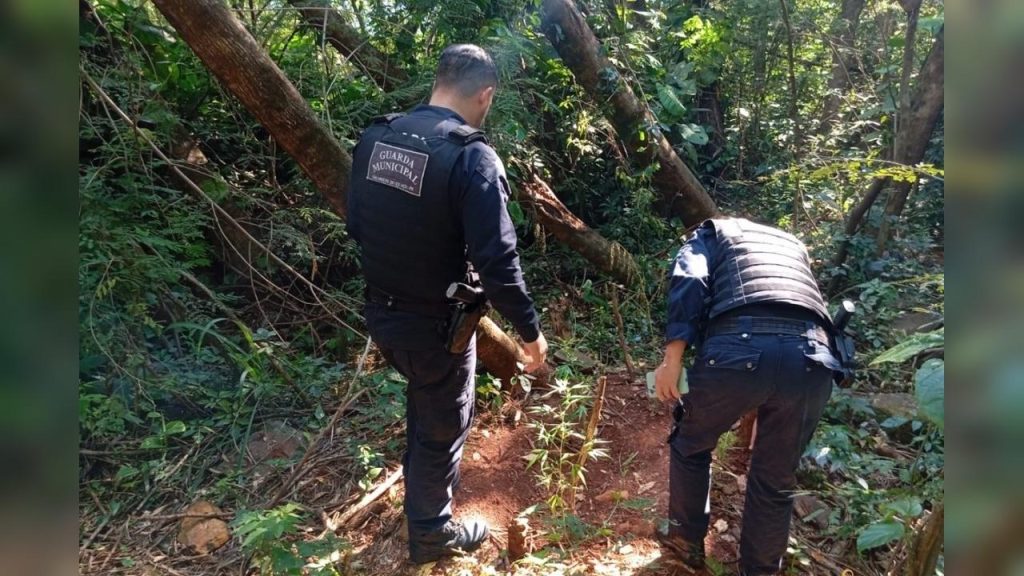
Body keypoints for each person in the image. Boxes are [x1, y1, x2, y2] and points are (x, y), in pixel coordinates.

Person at [346, 44, 548, 564]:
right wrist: (530, 332)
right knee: (444, 423)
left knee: (424, 400)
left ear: (437, 81)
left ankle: (419, 503)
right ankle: (432, 535)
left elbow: (357, 224)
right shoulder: (470, 156)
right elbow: (499, 260)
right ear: (485, 95)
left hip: (382, 316)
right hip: (437, 329)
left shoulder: (377, 135)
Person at [652, 217, 842, 575]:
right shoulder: (793, 244)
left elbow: (690, 278)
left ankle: (686, 542)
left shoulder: (711, 233)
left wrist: (672, 359)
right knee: (775, 478)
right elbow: (801, 306)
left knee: (691, 442)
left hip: (738, 346)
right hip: (814, 358)